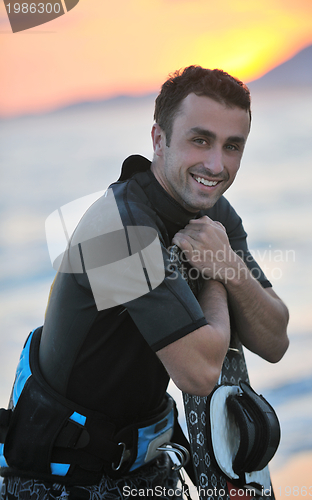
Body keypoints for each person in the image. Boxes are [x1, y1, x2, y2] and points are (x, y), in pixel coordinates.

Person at [0, 66, 289, 499]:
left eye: (232, 146)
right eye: (200, 140)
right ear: (158, 139)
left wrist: (225, 263)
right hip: (59, 478)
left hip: (148, 465)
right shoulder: (117, 231)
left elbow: (275, 339)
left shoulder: (213, 214)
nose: (216, 164)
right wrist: (219, 271)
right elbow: (199, 372)